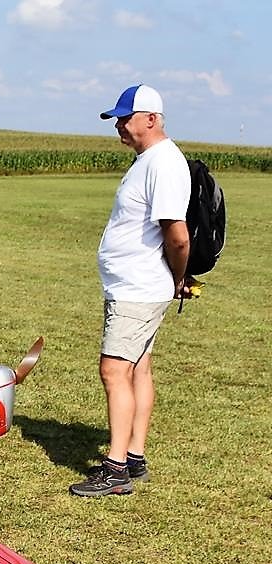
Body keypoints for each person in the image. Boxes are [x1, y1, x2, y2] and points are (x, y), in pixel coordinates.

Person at [69, 84, 191, 498]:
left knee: (113, 370)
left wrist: (178, 277)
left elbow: (177, 236)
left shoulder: (163, 163)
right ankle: (134, 456)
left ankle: (116, 469)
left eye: (125, 117)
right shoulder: (148, 160)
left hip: (138, 288)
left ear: (151, 119)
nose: (119, 124)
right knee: (138, 368)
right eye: (117, 118)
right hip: (134, 284)